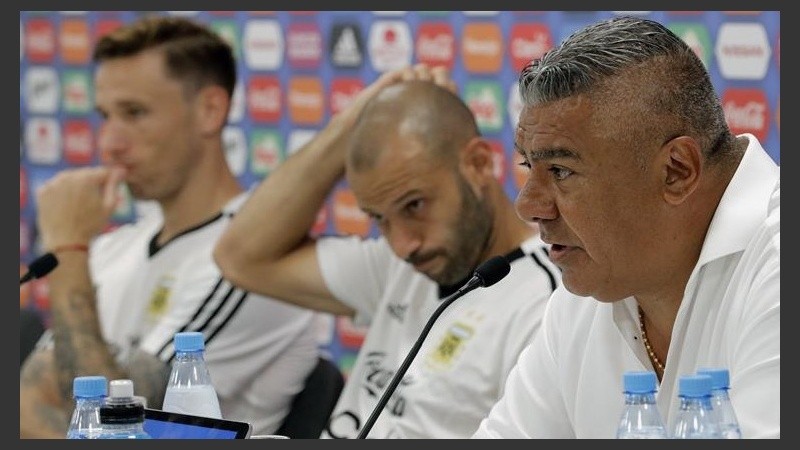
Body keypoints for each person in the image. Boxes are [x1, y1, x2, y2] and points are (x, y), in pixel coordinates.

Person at [213, 64, 561, 439]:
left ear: (478, 164)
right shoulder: (401, 266)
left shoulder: (548, 303)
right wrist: (356, 121)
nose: (402, 244)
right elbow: (240, 257)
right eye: (379, 218)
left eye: (415, 206)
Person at [472, 16, 779, 439]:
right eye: (529, 165)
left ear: (676, 171)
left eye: (560, 170)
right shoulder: (588, 289)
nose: (529, 206)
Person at [19, 16, 320, 438]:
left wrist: (67, 249)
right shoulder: (114, 248)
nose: (110, 143)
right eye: (106, 116)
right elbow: (35, 390)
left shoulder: (254, 258)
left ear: (210, 111)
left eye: (134, 113)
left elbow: (112, 425)